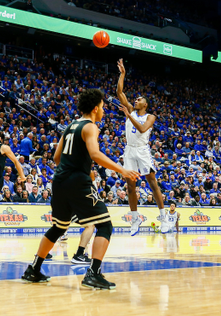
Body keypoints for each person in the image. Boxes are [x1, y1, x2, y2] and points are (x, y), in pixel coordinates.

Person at [21, 89, 140, 289]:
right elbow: (94, 153)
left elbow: (57, 158)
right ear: (95, 109)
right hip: (77, 181)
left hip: (59, 180)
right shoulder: (90, 127)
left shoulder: (69, 126)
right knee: (105, 225)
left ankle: (34, 268)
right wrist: (122, 170)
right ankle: (93, 273)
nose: (103, 111)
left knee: (59, 227)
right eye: (102, 107)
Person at [116, 59, 168, 235]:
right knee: (130, 186)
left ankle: (164, 217)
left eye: (139, 100)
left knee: (152, 183)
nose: (135, 100)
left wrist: (127, 115)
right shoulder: (130, 110)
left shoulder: (150, 117)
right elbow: (119, 92)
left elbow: (142, 129)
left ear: (144, 105)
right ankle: (135, 218)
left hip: (143, 149)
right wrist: (122, 74)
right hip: (129, 149)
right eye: (135, 99)